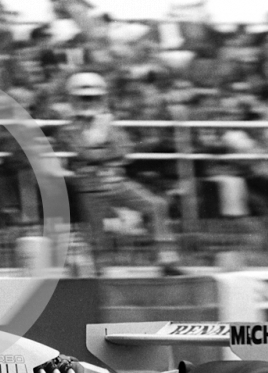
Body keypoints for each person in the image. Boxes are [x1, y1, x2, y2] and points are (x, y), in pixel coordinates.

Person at [57, 72, 181, 275]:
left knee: (156, 206)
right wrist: (103, 150)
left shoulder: (108, 122)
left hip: (115, 182)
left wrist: (98, 149)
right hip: (90, 188)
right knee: (97, 235)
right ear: (73, 99)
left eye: (93, 97)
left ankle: (166, 259)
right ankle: (100, 273)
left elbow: (124, 148)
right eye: (83, 97)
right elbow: (84, 152)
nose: (89, 101)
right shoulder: (68, 129)